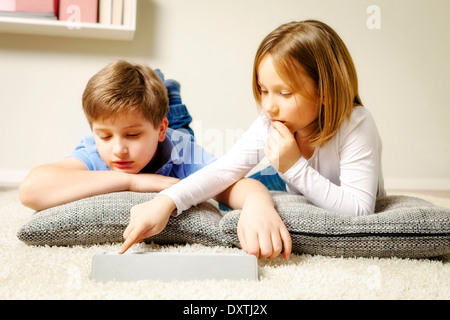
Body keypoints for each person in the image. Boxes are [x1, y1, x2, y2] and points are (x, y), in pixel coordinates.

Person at [119, 20, 385, 259]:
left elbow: (360, 210)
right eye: (263, 90)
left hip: (290, 173)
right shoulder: (272, 121)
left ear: (326, 91)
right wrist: (166, 201)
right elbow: (224, 169)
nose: (269, 106)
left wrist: (293, 167)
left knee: (251, 183)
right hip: (283, 175)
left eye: (284, 92)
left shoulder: (356, 124)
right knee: (233, 192)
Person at [19, 60, 290, 259]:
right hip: (156, 129)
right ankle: (160, 85)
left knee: (179, 122)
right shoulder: (94, 150)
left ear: (160, 129)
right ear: (94, 133)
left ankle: (165, 89)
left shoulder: (181, 150)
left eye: (133, 135)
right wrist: (133, 181)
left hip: (174, 134)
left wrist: (257, 204)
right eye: (104, 135)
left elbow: (232, 182)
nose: (118, 151)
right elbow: (32, 189)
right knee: (150, 107)